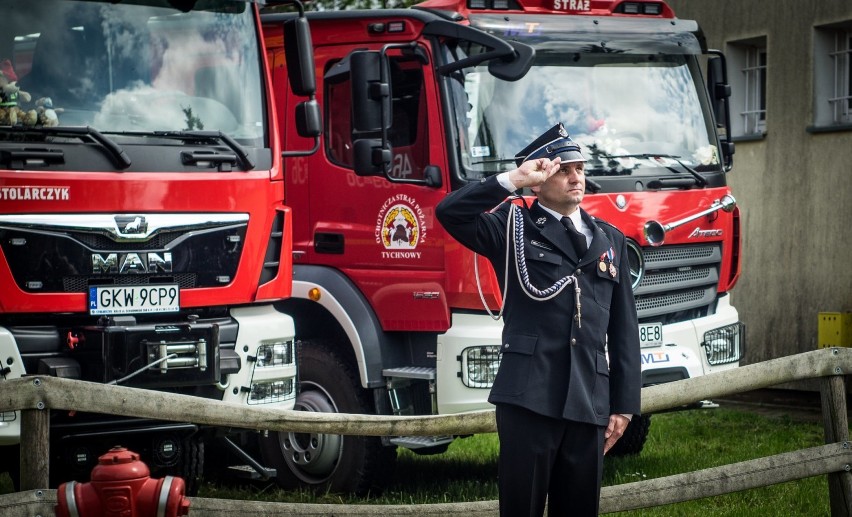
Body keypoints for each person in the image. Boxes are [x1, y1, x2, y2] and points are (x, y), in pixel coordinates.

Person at [436, 123, 641, 516]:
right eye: (563, 169)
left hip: (589, 400)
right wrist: (512, 179)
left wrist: (624, 404)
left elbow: (623, 329)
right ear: (538, 180)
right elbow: (450, 212)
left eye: (579, 168)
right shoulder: (511, 227)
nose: (575, 177)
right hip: (529, 399)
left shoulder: (609, 239)